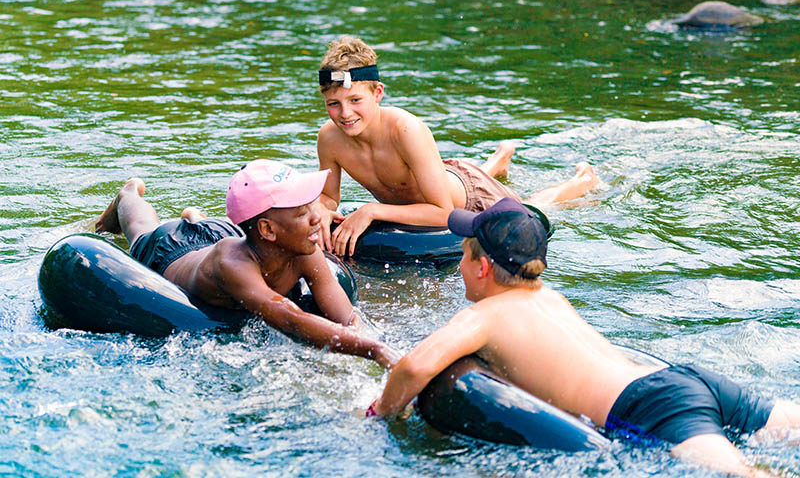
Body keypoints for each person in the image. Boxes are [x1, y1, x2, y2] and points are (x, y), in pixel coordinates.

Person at [367, 197, 800, 477]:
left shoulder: (483, 316)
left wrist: (378, 413)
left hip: (648, 412)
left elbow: (415, 366)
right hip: (692, 381)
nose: (460, 265)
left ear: (482, 268)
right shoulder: (551, 298)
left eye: (463, 255)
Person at [94, 159, 399, 368]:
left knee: (212, 232)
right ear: (268, 229)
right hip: (175, 251)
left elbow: (346, 318)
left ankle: (196, 218)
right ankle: (128, 195)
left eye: (312, 205)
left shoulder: (304, 249)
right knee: (141, 230)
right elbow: (288, 318)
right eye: (302, 213)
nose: (318, 217)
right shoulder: (232, 265)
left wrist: (377, 343)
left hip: (228, 234)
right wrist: (372, 350)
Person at [314, 35, 600, 257]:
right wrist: (324, 209)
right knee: (446, 175)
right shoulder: (329, 138)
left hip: (470, 198)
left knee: (532, 206)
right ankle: (497, 161)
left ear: (377, 93)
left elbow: (443, 213)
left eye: (355, 101)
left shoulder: (405, 130)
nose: (345, 114)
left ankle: (581, 180)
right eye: (333, 104)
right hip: (440, 179)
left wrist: (372, 210)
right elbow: (329, 196)